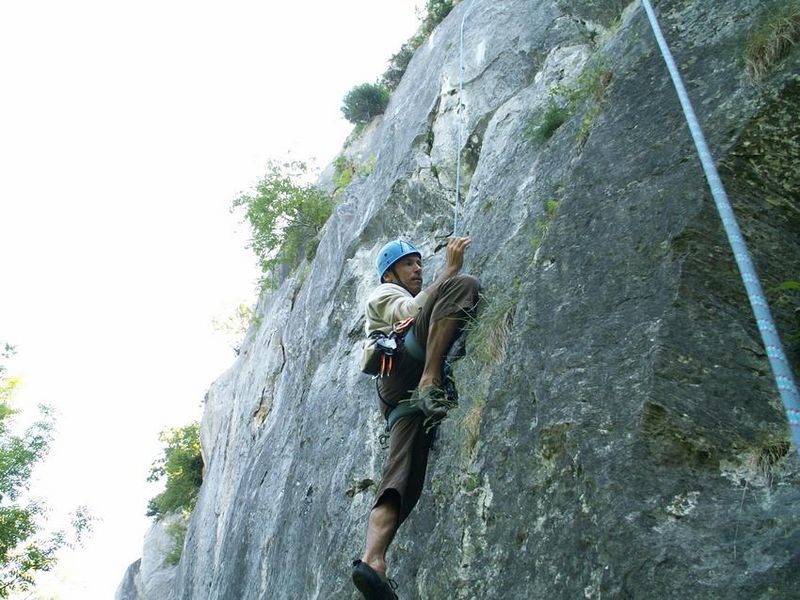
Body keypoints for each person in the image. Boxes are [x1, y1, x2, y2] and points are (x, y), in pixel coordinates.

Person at [352, 237, 479, 600]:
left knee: (402, 476)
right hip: (405, 364)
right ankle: (431, 378)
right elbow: (411, 310)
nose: (418, 269)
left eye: (420, 263)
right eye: (409, 264)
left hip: (397, 400)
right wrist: (450, 271)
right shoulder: (383, 294)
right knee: (463, 286)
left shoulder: (397, 288)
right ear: (389, 273)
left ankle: (372, 560)